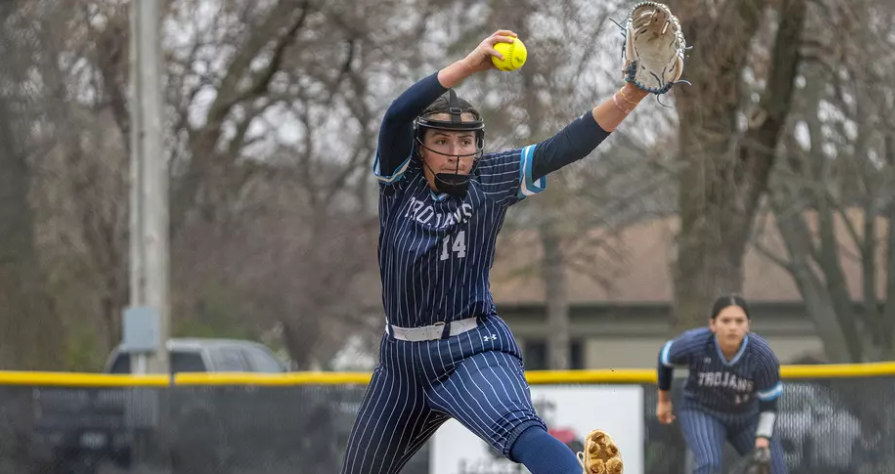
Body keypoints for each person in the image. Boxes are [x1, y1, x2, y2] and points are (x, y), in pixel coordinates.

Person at [338, 23, 664, 474]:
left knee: (521, 430)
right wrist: (471, 64)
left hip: (472, 349)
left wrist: (630, 95)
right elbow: (396, 115)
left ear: (479, 145)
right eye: (442, 141)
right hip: (400, 363)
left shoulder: (490, 178)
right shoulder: (400, 179)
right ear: (420, 147)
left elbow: (563, 148)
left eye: (466, 142)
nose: (456, 152)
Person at [655, 294, 788, 474]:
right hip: (702, 411)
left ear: (748, 325)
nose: (733, 327)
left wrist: (762, 440)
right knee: (709, 464)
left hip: (747, 417)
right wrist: (664, 400)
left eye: (739, 321)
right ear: (713, 324)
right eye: (726, 320)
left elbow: (769, 403)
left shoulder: (761, 354)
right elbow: (665, 357)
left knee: (775, 468)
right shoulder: (696, 343)